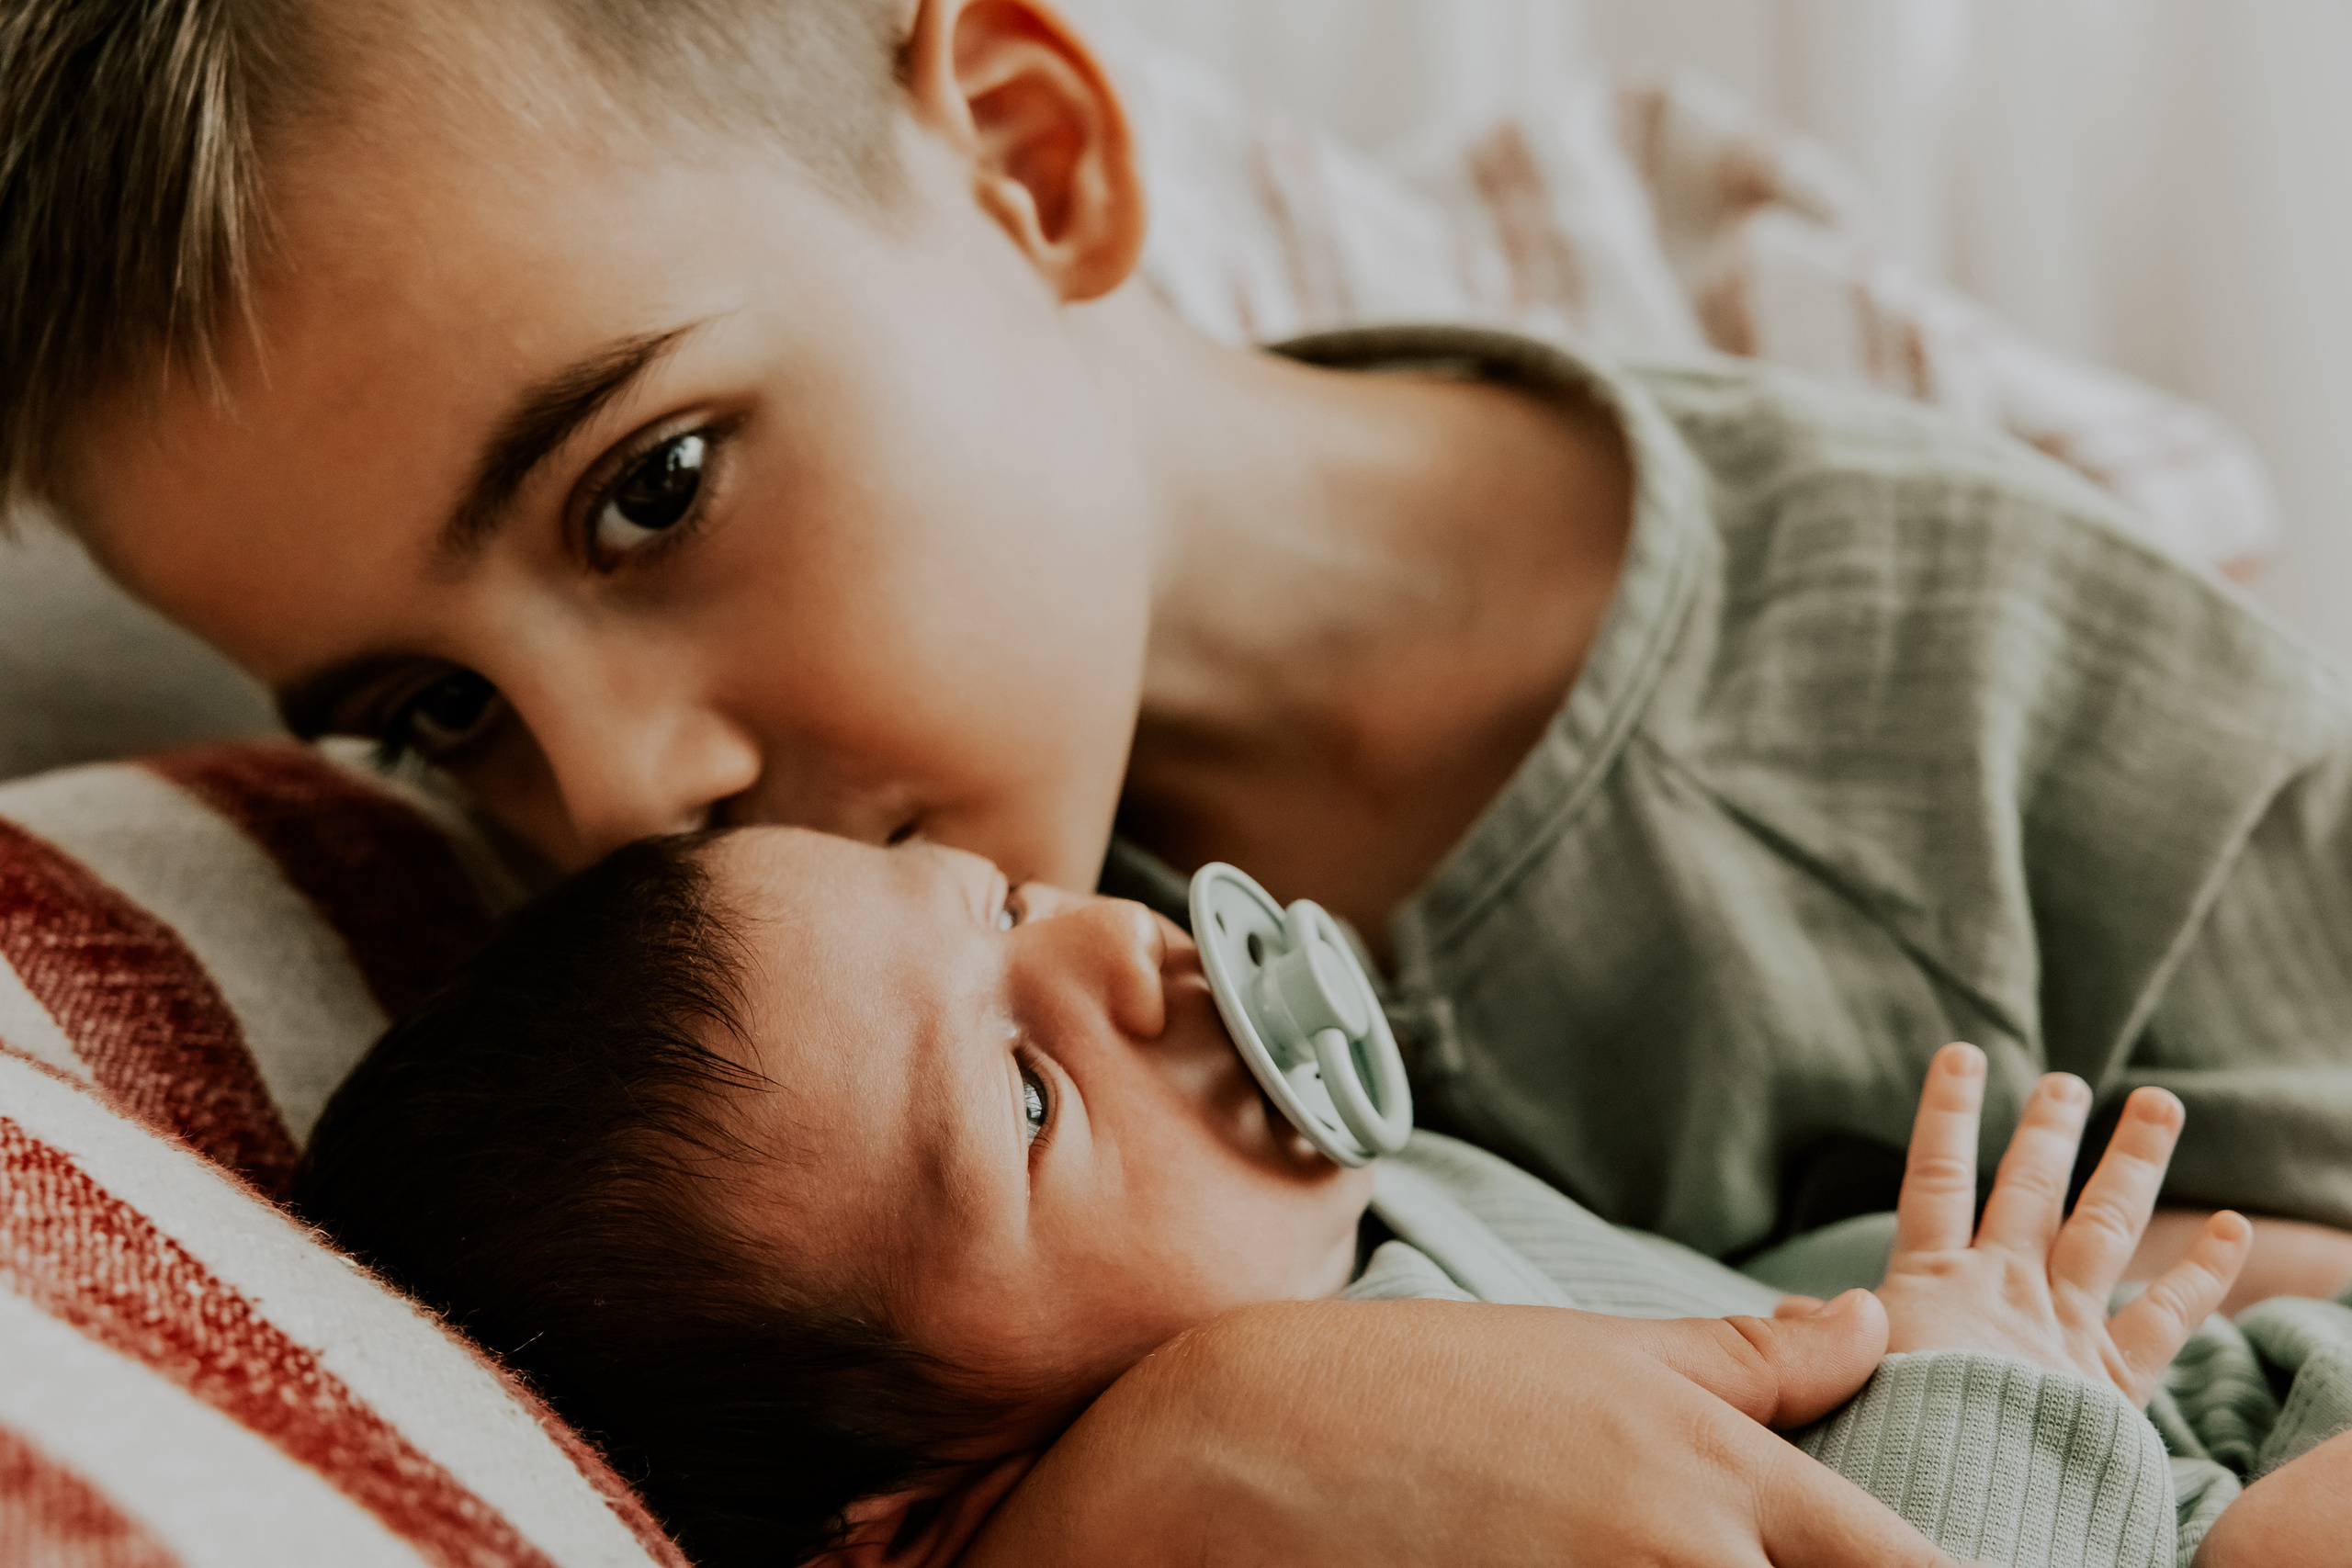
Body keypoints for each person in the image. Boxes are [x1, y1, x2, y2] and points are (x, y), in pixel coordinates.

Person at [11, 0, 2352, 1560]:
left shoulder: (1949, 686)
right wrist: (1149, 1467)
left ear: (1028, 160)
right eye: (435, 709)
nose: (621, 795)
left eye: (655, 486)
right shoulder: (815, 1035)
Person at [294, 825, 2352, 1568]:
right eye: (1019, 1097)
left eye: (1003, 903)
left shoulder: (1332, 1224)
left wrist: (1984, 1304)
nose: (1111, 949)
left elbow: (1719, 1312)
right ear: (908, 1510)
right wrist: (1991, 1373)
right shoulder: (1320, 1501)